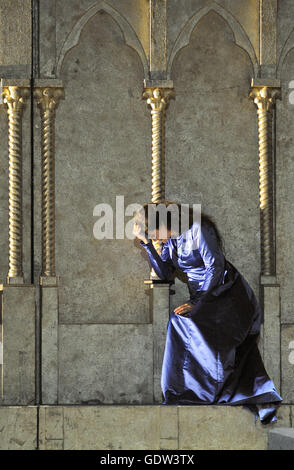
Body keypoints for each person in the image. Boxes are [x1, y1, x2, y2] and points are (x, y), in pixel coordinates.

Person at [133, 200, 282, 424]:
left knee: (191, 321)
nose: (155, 238)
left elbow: (215, 266)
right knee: (177, 322)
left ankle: (206, 391)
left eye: (153, 232)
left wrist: (200, 303)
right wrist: (147, 245)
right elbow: (164, 273)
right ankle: (183, 393)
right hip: (202, 298)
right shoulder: (170, 241)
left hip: (228, 294)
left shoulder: (198, 229)